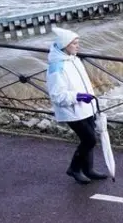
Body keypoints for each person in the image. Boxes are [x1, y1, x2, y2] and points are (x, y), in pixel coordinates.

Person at [46, 28, 107, 184]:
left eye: (78, 42)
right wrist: (78, 96)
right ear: (64, 45)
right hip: (71, 110)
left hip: (85, 107)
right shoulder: (56, 67)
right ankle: (74, 169)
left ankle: (89, 170)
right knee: (89, 140)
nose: (77, 46)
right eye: (74, 43)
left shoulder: (74, 59)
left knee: (90, 137)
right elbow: (57, 95)